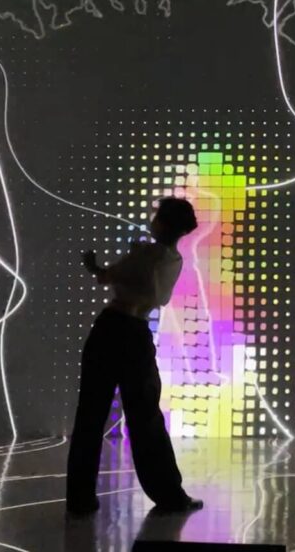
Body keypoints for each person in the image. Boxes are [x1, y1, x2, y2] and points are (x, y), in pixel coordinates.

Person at [65, 197, 203, 516]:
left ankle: (80, 500)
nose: (152, 221)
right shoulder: (173, 260)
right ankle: (170, 496)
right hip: (136, 333)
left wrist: (95, 265)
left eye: (157, 217)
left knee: (90, 416)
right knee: (146, 418)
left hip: (111, 328)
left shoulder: (146, 253)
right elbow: (157, 296)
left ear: (163, 223)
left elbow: (106, 276)